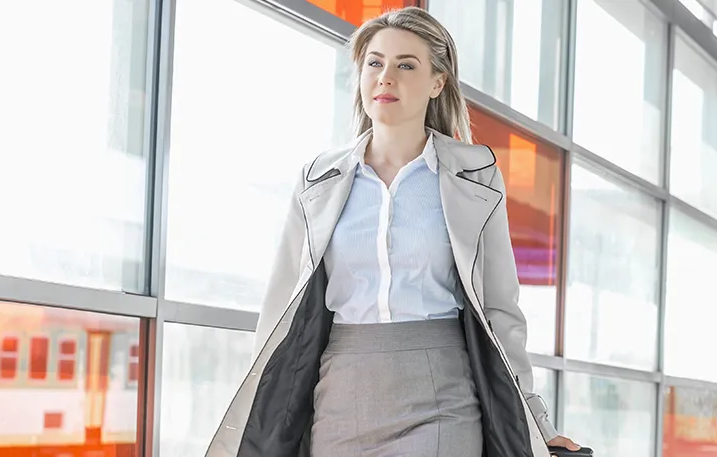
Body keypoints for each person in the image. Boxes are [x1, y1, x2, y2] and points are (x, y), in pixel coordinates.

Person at [205, 7, 582, 457]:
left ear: (437, 82)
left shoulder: (474, 175)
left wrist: (536, 419)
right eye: (375, 63)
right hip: (341, 393)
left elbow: (501, 309)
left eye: (407, 65)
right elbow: (279, 309)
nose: (387, 77)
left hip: (442, 392)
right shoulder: (317, 179)